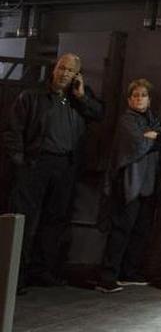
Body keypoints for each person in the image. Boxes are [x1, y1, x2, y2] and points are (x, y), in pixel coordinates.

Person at [3, 52, 104, 290]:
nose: (64, 73)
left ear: (76, 75)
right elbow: (12, 131)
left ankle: (41, 270)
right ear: (54, 68)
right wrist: (20, 162)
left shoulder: (79, 99)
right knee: (23, 221)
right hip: (35, 164)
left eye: (70, 70)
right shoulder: (32, 95)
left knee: (54, 222)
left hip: (65, 167)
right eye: (62, 68)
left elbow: (98, 114)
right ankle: (14, 276)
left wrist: (81, 96)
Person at [95, 78, 161, 293]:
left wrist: (156, 136)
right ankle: (107, 276)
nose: (139, 99)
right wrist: (156, 137)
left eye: (143, 95)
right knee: (121, 228)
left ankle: (130, 271)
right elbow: (138, 143)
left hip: (148, 182)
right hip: (128, 182)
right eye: (135, 95)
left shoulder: (153, 119)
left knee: (141, 229)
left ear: (149, 99)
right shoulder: (126, 120)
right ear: (129, 99)